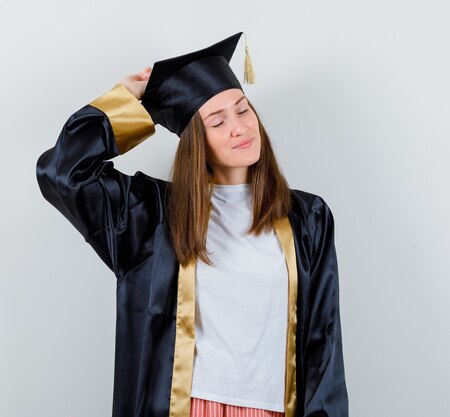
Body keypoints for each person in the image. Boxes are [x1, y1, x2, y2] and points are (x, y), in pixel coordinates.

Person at [36, 32, 348, 417]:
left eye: (243, 109)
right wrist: (123, 102)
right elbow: (62, 174)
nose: (239, 127)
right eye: (218, 121)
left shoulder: (306, 218)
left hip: (274, 408)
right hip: (185, 407)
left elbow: (323, 340)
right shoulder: (150, 216)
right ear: (195, 142)